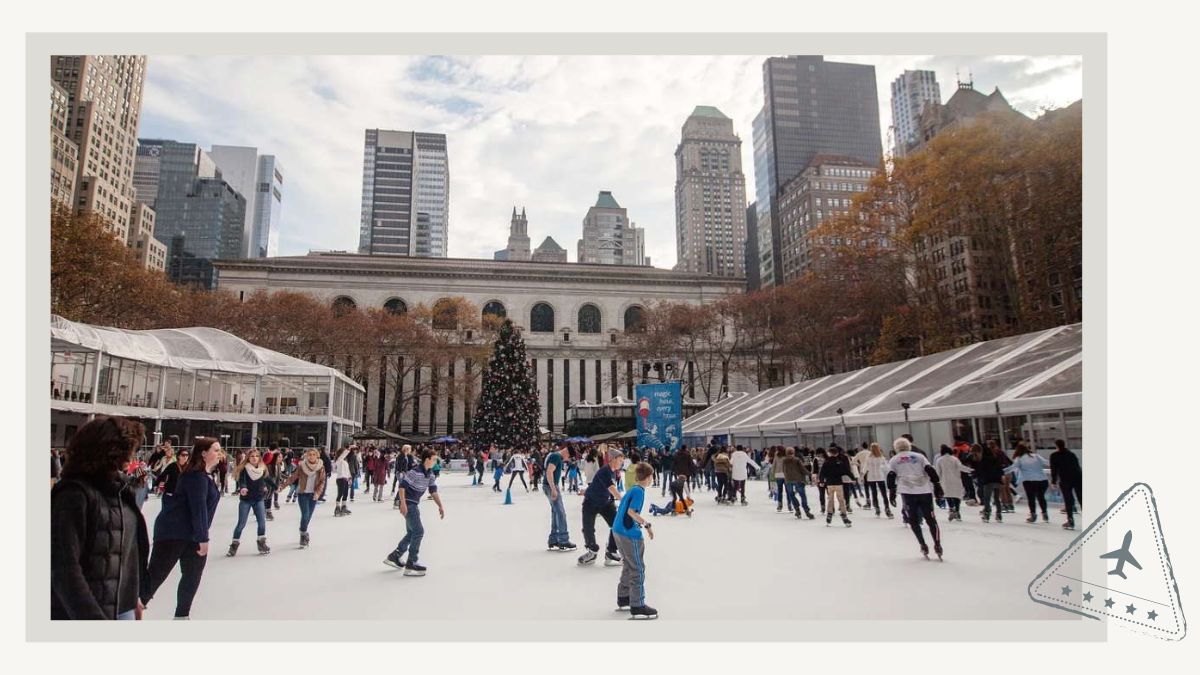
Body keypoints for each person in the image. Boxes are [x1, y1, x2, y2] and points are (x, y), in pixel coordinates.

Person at [51, 417, 150, 620]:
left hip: (122, 607)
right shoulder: (74, 494)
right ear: (110, 451)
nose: (131, 458)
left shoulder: (121, 489)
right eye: (128, 450)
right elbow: (64, 568)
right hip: (84, 612)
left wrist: (132, 596)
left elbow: (126, 551)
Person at [141, 437, 223, 619]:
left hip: (192, 534)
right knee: (156, 575)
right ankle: (131, 610)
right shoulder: (196, 477)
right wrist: (203, 538)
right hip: (175, 533)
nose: (220, 453)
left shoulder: (206, 476)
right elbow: (198, 507)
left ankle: (182, 616)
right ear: (203, 453)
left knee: (192, 577)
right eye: (216, 450)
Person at [383, 449, 445, 576]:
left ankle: (395, 556)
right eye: (434, 459)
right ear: (427, 459)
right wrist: (403, 504)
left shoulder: (430, 474)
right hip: (408, 504)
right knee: (418, 531)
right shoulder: (415, 472)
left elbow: (433, 491)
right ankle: (411, 562)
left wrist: (440, 506)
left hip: (413, 504)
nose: (435, 462)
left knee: (412, 532)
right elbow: (402, 487)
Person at [887, 437, 945, 560]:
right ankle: (937, 544)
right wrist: (937, 485)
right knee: (931, 519)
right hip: (924, 490)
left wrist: (891, 492)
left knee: (913, 520)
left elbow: (891, 476)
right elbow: (930, 469)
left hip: (907, 492)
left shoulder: (894, 459)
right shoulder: (919, 457)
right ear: (909, 446)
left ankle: (923, 544)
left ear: (896, 448)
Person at [612, 462, 657, 620]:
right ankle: (637, 604)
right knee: (637, 568)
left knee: (629, 565)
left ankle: (624, 597)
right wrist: (647, 524)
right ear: (649, 477)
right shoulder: (639, 492)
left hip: (618, 530)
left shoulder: (633, 489)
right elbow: (631, 512)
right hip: (628, 533)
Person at [579, 449, 624, 566]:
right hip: (591, 502)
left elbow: (611, 489)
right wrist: (624, 502)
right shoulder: (605, 471)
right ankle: (592, 551)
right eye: (620, 460)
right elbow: (612, 489)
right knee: (588, 528)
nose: (622, 462)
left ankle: (611, 551)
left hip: (605, 503)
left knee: (617, 525)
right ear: (613, 459)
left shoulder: (613, 471)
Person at [277, 448, 326, 548]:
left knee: (308, 517)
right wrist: (282, 486)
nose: (311, 456)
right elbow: (293, 477)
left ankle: (303, 530)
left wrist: (318, 493)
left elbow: (322, 482)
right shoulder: (302, 466)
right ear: (306, 456)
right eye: (309, 454)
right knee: (305, 514)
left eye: (313, 454)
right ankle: (303, 535)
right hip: (303, 494)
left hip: (313, 495)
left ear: (317, 456)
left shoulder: (321, 467)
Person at [541, 444, 577, 551]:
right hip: (550, 486)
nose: (567, 459)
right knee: (561, 513)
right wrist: (553, 488)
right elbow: (549, 472)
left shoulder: (555, 456)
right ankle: (563, 540)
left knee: (556, 512)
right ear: (566, 452)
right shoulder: (556, 457)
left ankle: (554, 539)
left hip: (549, 485)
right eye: (569, 456)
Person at [1007, 442, 1051, 523]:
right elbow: (1047, 462)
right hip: (1042, 480)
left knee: (1031, 498)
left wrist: (1001, 472)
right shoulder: (1036, 456)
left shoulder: (1019, 459)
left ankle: (1033, 514)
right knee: (1041, 497)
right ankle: (1045, 513)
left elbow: (1012, 468)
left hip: (1029, 481)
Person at [974, 441, 1012, 523]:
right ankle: (999, 514)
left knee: (987, 498)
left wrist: (976, 476)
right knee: (997, 498)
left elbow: (980, 471)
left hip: (988, 481)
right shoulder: (995, 458)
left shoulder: (983, 460)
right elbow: (1000, 469)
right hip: (997, 480)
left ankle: (987, 514)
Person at [1050, 439, 1082, 529]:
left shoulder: (1054, 456)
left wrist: (1053, 481)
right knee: (1081, 498)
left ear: (1056, 446)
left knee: (1068, 500)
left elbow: (1054, 470)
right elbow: (1077, 466)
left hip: (1065, 479)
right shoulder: (1071, 454)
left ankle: (1070, 520)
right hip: (1077, 477)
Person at [819, 445, 853, 527]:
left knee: (830, 499)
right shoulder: (839, 462)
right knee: (841, 499)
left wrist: (822, 481)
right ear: (837, 453)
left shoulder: (826, 462)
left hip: (829, 484)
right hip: (838, 483)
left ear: (829, 453)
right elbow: (846, 470)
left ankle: (829, 515)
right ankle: (844, 515)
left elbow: (822, 472)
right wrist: (853, 478)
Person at [935, 445, 969, 521]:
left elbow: (938, 472)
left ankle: (951, 509)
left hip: (945, 481)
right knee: (957, 496)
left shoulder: (939, 460)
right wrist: (970, 470)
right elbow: (961, 467)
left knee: (948, 495)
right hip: (956, 480)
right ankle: (957, 511)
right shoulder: (955, 459)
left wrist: (937, 481)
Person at [862, 442, 893, 518]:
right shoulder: (881, 457)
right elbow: (886, 468)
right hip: (880, 476)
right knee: (884, 493)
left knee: (874, 493)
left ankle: (877, 508)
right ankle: (887, 509)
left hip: (871, 477)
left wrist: (862, 476)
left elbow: (865, 468)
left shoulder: (868, 458)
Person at [332, 447, 353, 517]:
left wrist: (350, 478)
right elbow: (343, 455)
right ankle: (337, 508)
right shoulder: (338, 460)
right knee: (340, 494)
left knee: (345, 494)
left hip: (346, 479)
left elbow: (347, 471)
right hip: (340, 479)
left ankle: (344, 507)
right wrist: (348, 449)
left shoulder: (345, 462)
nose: (345, 454)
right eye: (343, 453)